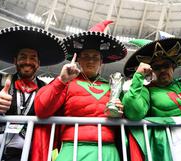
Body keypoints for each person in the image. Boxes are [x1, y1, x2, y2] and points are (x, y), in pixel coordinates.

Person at [34, 20, 127, 161]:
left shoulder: (113, 86)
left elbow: (130, 116)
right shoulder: (66, 82)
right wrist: (61, 81)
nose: (90, 61)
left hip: (109, 150)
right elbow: (42, 110)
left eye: (95, 57)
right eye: (86, 56)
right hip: (72, 149)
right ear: (78, 60)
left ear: (102, 62)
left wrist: (122, 113)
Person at [122, 38, 181, 161]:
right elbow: (134, 113)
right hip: (170, 143)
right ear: (150, 71)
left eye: (166, 65)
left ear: (173, 66)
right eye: (156, 67)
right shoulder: (147, 91)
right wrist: (138, 77)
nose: (162, 70)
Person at [0, 26, 65, 161]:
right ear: (15, 60)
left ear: (38, 63)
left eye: (33, 58)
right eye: (23, 57)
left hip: (24, 153)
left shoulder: (45, 88)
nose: (28, 61)